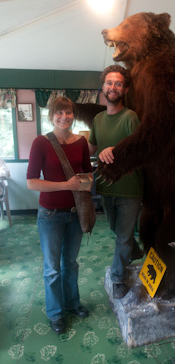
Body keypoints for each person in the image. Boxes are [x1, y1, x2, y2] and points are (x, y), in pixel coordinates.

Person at [27, 96, 92, 334]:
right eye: (59, 112)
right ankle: (55, 313)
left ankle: (72, 304)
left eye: (68, 112)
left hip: (75, 214)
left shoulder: (81, 142)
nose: (64, 117)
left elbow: (87, 173)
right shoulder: (41, 143)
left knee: (71, 264)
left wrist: (86, 182)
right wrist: (66, 185)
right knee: (52, 267)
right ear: (51, 115)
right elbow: (31, 183)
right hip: (50, 215)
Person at [89, 65, 143, 299]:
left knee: (122, 235)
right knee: (116, 230)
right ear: (103, 87)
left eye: (118, 83)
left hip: (130, 189)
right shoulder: (98, 119)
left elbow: (141, 150)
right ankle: (134, 249)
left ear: (125, 89)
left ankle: (118, 278)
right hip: (106, 187)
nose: (113, 87)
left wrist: (116, 149)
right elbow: (91, 149)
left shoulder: (131, 117)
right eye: (109, 83)